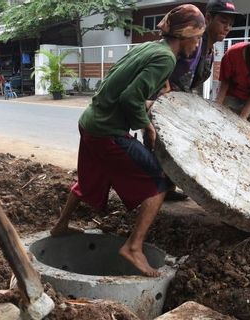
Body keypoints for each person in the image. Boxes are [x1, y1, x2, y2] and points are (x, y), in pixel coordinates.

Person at [50, 4, 205, 277]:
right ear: (184, 36)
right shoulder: (165, 58)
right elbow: (130, 99)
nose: (198, 43)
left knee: (88, 179)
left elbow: (120, 87)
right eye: (198, 37)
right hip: (108, 131)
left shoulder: (150, 48)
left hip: (90, 122)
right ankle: (133, 247)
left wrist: (152, 98)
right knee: (159, 181)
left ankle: (60, 226)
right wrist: (147, 126)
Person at [166, 0, 242, 201]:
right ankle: (158, 190)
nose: (227, 27)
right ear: (208, 19)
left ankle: (167, 187)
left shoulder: (210, 49)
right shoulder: (192, 41)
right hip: (165, 101)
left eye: (230, 23)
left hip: (182, 104)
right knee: (163, 146)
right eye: (223, 21)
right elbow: (165, 60)